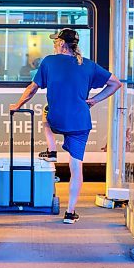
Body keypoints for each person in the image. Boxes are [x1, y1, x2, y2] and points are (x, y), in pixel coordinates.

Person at [9, 28, 121, 224]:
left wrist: (17, 105)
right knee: (76, 167)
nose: (54, 44)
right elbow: (115, 84)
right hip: (80, 122)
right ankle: (70, 213)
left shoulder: (49, 61)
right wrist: (95, 100)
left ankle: (52, 150)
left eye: (55, 41)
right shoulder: (88, 65)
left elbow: (32, 88)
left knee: (46, 113)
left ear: (61, 44)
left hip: (56, 119)